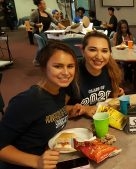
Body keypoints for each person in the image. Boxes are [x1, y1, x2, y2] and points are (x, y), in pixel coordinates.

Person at [0, 41, 82, 169]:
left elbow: (45, 117)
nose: (66, 72)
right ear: (44, 67)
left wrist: (68, 112)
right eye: (58, 66)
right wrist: (36, 161)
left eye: (70, 66)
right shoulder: (28, 101)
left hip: (50, 158)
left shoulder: (60, 90)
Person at [68, 31, 124, 106]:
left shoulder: (111, 69)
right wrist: (84, 110)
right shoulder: (70, 72)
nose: (99, 57)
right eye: (93, 50)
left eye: (104, 51)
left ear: (109, 53)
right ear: (82, 51)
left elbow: (113, 96)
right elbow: (57, 110)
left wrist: (118, 94)